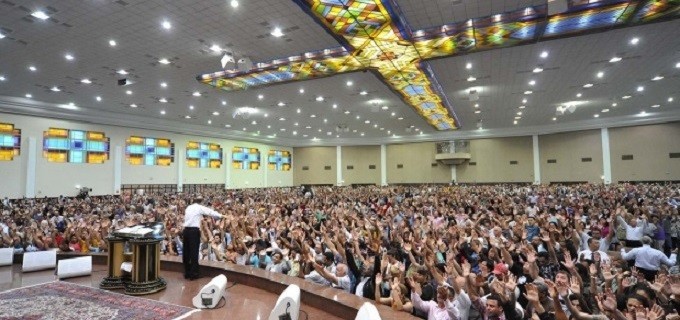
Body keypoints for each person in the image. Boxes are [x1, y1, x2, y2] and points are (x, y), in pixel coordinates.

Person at [183, 196, 225, 280]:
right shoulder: (199, 207)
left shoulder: (188, 207)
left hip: (186, 231)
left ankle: (187, 273)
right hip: (193, 232)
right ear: (201, 202)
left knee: (186, 252)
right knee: (194, 252)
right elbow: (210, 212)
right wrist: (221, 215)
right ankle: (194, 274)